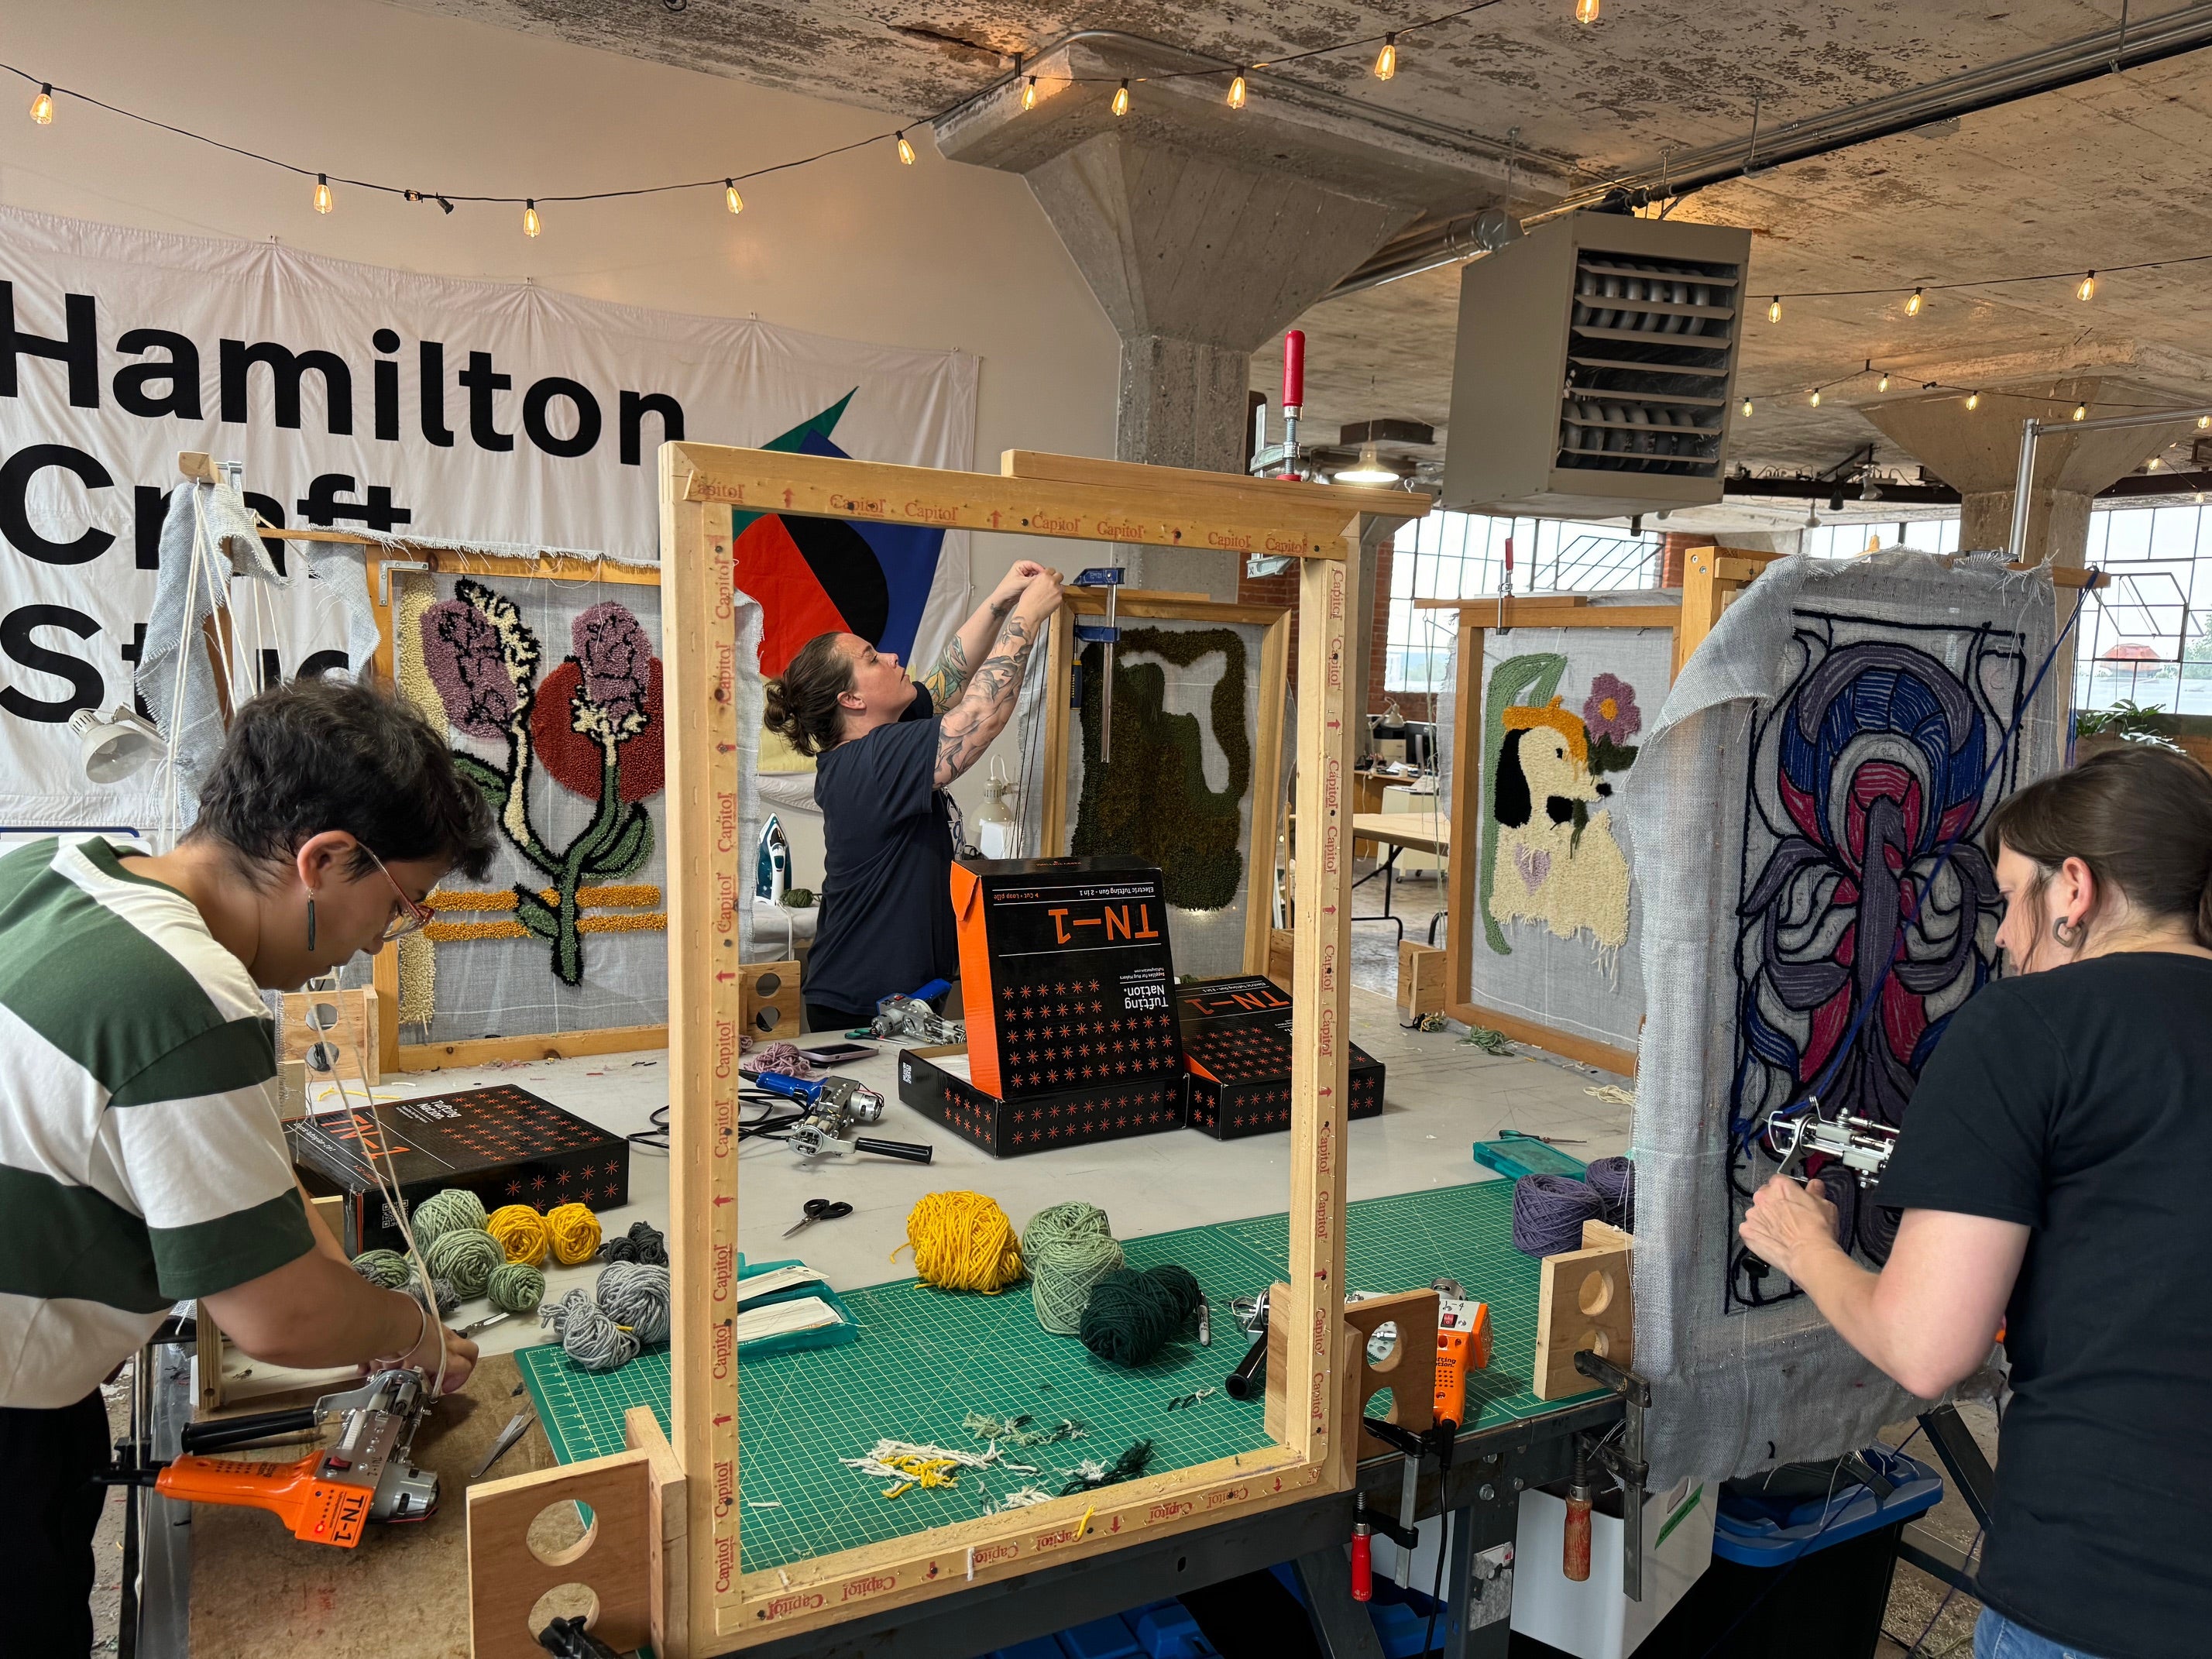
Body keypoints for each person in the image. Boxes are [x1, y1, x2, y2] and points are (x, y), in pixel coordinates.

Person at [0, 675, 498, 1653]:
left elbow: (247, 1176)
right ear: (324, 859)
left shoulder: (58, 875)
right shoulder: (189, 995)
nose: (380, 943)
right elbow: (279, 1317)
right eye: (400, 906)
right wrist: (413, 1334)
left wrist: (348, 1288)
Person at [1739, 745, 2212, 1659]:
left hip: (2107, 1587)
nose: (1996, 934)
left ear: (2074, 889)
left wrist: (1808, 1250)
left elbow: (1927, 1352)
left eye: (2007, 898)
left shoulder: (2027, 1026)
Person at [765, 560, 1064, 1032]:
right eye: (870, 658)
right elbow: (980, 717)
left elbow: (950, 679)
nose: (890, 657)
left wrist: (999, 601)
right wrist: (1026, 618)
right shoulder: (867, 764)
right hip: (861, 1004)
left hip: (908, 997)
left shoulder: (880, 742)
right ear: (851, 700)